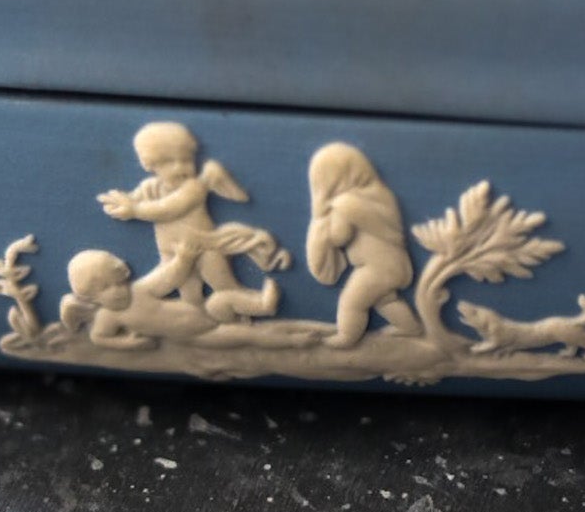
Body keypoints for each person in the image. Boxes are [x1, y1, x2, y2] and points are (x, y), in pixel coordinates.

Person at [99, 123, 288, 322]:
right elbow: (133, 199)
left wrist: (135, 210)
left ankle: (258, 306)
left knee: (224, 285)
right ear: (150, 164)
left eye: (186, 160)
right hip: (174, 253)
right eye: (169, 162)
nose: (180, 167)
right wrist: (120, 202)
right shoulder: (149, 187)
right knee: (189, 295)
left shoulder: (194, 187)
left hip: (204, 248)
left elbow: (169, 208)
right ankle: (202, 324)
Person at [305, 143, 421, 347]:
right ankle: (411, 328)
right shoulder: (383, 195)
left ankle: (347, 336)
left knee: (351, 302)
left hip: (375, 269)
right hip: (398, 265)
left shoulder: (346, 203)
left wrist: (325, 221)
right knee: (385, 300)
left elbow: (339, 236)